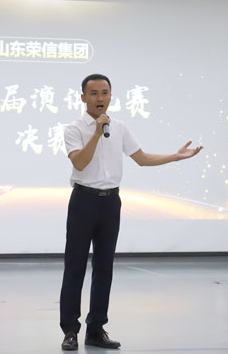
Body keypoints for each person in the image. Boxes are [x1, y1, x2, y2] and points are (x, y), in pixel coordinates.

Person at [59, 73, 203, 350]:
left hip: (110, 203)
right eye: (94, 93)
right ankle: (70, 331)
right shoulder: (74, 129)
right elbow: (80, 163)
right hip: (83, 201)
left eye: (105, 93)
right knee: (75, 266)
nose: (100, 98)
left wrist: (175, 156)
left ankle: (96, 329)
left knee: (104, 267)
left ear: (111, 96)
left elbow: (142, 158)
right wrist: (96, 132)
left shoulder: (120, 128)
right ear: (83, 97)